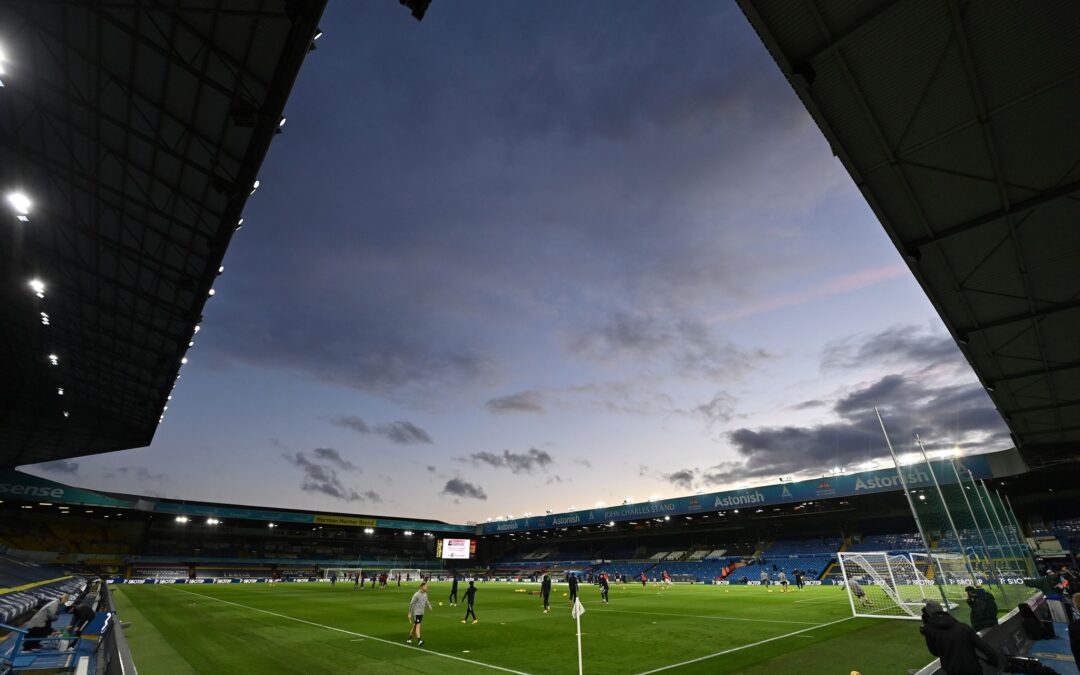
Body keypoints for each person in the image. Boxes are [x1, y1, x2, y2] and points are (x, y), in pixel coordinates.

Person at [921, 600, 999, 675]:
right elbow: (984, 647)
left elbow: (935, 652)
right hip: (973, 668)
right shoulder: (963, 627)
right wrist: (994, 661)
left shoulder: (929, 630)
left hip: (953, 670)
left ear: (929, 613)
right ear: (941, 609)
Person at [406, 582, 432, 646]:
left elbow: (426, 601)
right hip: (417, 613)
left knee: (415, 626)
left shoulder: (425, 594)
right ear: (422, 587)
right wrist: (409, 613)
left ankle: (409, 639)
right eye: (426, 586)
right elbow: (411, 604)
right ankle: (419, 640)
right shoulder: (416, 594)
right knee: (418, 626)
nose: (427, 587)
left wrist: (429, 606)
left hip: (421, 613)